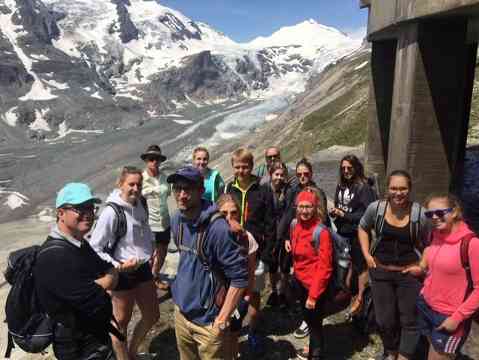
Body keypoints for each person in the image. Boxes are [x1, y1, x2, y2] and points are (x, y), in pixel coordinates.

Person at [168, 166, 248, 360]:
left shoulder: (218, 229)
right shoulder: (177, 219)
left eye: (188, 189)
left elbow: (240, 278)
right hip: (182, 314)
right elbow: (186, 260)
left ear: (201, 191)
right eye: (177, 188)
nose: (182, 194)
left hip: (208, 322)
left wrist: (222, 319)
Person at [34, 183, 119, 360]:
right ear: (60, 213)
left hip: (93, 337)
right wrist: (106, 281)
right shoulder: (54, 256)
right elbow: (94, 297)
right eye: (80, 209)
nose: (88, 214)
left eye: (90, 208)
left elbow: (108, 270)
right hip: (77, 345)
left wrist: (105, 280)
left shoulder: (78, 243)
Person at [358, 170, 429, 360]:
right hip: (380, 270)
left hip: (409, 273)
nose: (398, 193)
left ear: (410, 189)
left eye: (403, 188)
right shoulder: (376, 208)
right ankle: (391, 351)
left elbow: (431, 242)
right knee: (384, 319)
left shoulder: (419, 214)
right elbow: (363, 227)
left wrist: (422, 265)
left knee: (409, 319)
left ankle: (404, 356)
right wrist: (366, 255)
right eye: (394, 188)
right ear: (387, 189)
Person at [90, 166, 159, 360]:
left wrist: (151, 248)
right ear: (120, 184)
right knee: (120, 323)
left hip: (143, 267)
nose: (136, 188)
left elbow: (144, 229)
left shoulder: (141, 203)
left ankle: (133, 352)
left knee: (152, 315)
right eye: (131, 184)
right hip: (122, 272)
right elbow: (95, 247)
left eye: (139, 184)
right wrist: (118, 265)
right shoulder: (111, 212)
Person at [403, 193, 479, 359]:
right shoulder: (436, 235)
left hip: (450, 316)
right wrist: (422, 271)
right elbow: (436, 266)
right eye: (429, 214)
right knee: (432, 349)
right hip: (427, 306)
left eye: (440, 212)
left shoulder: (472, 244)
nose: (434, 217)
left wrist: (457, 318)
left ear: (455, 211)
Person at [225, 147, 275, 356]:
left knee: (254, 294)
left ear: (252, 167)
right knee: (233, 292)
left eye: (245, 166)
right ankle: (232, 334)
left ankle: (253, 331)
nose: (241, 170)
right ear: (233, 167)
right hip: (234, 252)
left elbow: (271, 223)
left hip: (257, 252)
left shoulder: (262, 189)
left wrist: (265, 253)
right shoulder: (229, 188)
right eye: (237, 167)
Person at [277, 158, 328, 339]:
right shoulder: (293, 190)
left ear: (311, 173)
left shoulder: (317, 192)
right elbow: (289, 216)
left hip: (313, 243)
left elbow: (324, 220)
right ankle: (303, 311)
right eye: (299, 174)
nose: (302, 176)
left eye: (306, 173)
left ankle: (310, 321)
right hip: (295, 240)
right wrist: (285, 237)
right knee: (296, 277)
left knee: (311, 280)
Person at [286, 190, 334, 360]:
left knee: (315, 324)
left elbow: (325, 267)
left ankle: (316, 355)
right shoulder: (294, 225)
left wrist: (313, 296)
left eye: (308, 207)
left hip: (314, 286)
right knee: (308, 318)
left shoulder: (322, 232)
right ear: (296, 208)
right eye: (301, 207)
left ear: (315, 208)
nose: (304, 211)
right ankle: (312, 348)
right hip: (299, 281)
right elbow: (295, 244)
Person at [330, 155, 377, 315]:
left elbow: (367, 214)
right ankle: (347, 292)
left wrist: (344, 215)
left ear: (356, 167)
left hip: (359, 233)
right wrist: (336, 212)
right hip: (343, 231)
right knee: (346, 262)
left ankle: (361, 298)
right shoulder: (341, 185)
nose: (346, 171)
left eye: (349, 168)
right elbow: (339, 205)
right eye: (343, 168)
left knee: (361, 266)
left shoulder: (364, 188)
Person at [216, 194, 259, 360]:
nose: (229, 217)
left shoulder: (248, 238)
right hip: (215, 295)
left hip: (237, 296)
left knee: (233, 334)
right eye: (224, 213)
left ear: (239, 214)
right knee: (217, 335)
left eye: (233, 212)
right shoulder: (210, 235)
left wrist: (247, 295)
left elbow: (250, 270)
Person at [141, 145, 171, 289]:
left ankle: (155, 276)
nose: (154, 162)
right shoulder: (140, 179)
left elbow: (170, 194)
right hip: (148, 223)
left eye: (157, 159)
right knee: (149, 254)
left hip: (164, 221)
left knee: (163, 251)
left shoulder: (165, 178)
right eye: (151, 159)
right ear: (146, 160)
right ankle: (147, 281)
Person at [262, 161, 291, 308]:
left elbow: (290, 213)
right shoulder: (264, 190)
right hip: (270, 234)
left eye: (281, 175)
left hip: (286, 234)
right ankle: (274, 291)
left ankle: (282, 292)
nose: (279, 177)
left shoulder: (289, 191)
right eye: (276, 174)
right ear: (270, 174)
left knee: (285, 266)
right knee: (273, 265)